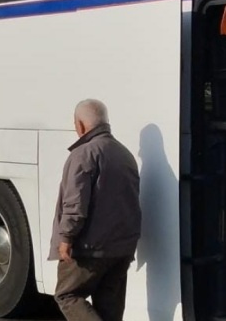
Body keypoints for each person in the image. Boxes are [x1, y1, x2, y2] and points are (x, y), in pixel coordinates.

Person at [50, 99, 141, 321]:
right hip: (122, 248)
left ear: (81, 125)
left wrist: (66, 237)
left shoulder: (83, 154)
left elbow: (75, 203)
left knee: (67, 294)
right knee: (109, 307)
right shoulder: (125, 154)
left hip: (91, 248)